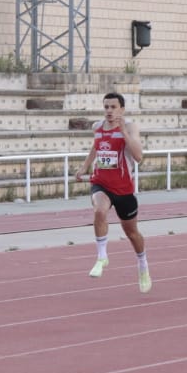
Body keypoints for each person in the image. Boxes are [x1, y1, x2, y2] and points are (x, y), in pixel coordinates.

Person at [75, 92, 151, 293]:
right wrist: (84, 167)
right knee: (99, 211)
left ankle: (142, 265)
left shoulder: (131, 127)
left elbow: (138, 156)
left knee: (132, 233)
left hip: (124, 189)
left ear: (122, 109)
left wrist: (124, 132)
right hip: (101, 183)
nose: (109, 111)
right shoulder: (97, 127)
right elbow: (96, 147)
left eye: (113, 107)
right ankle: (102, 257)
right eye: (106, 107)